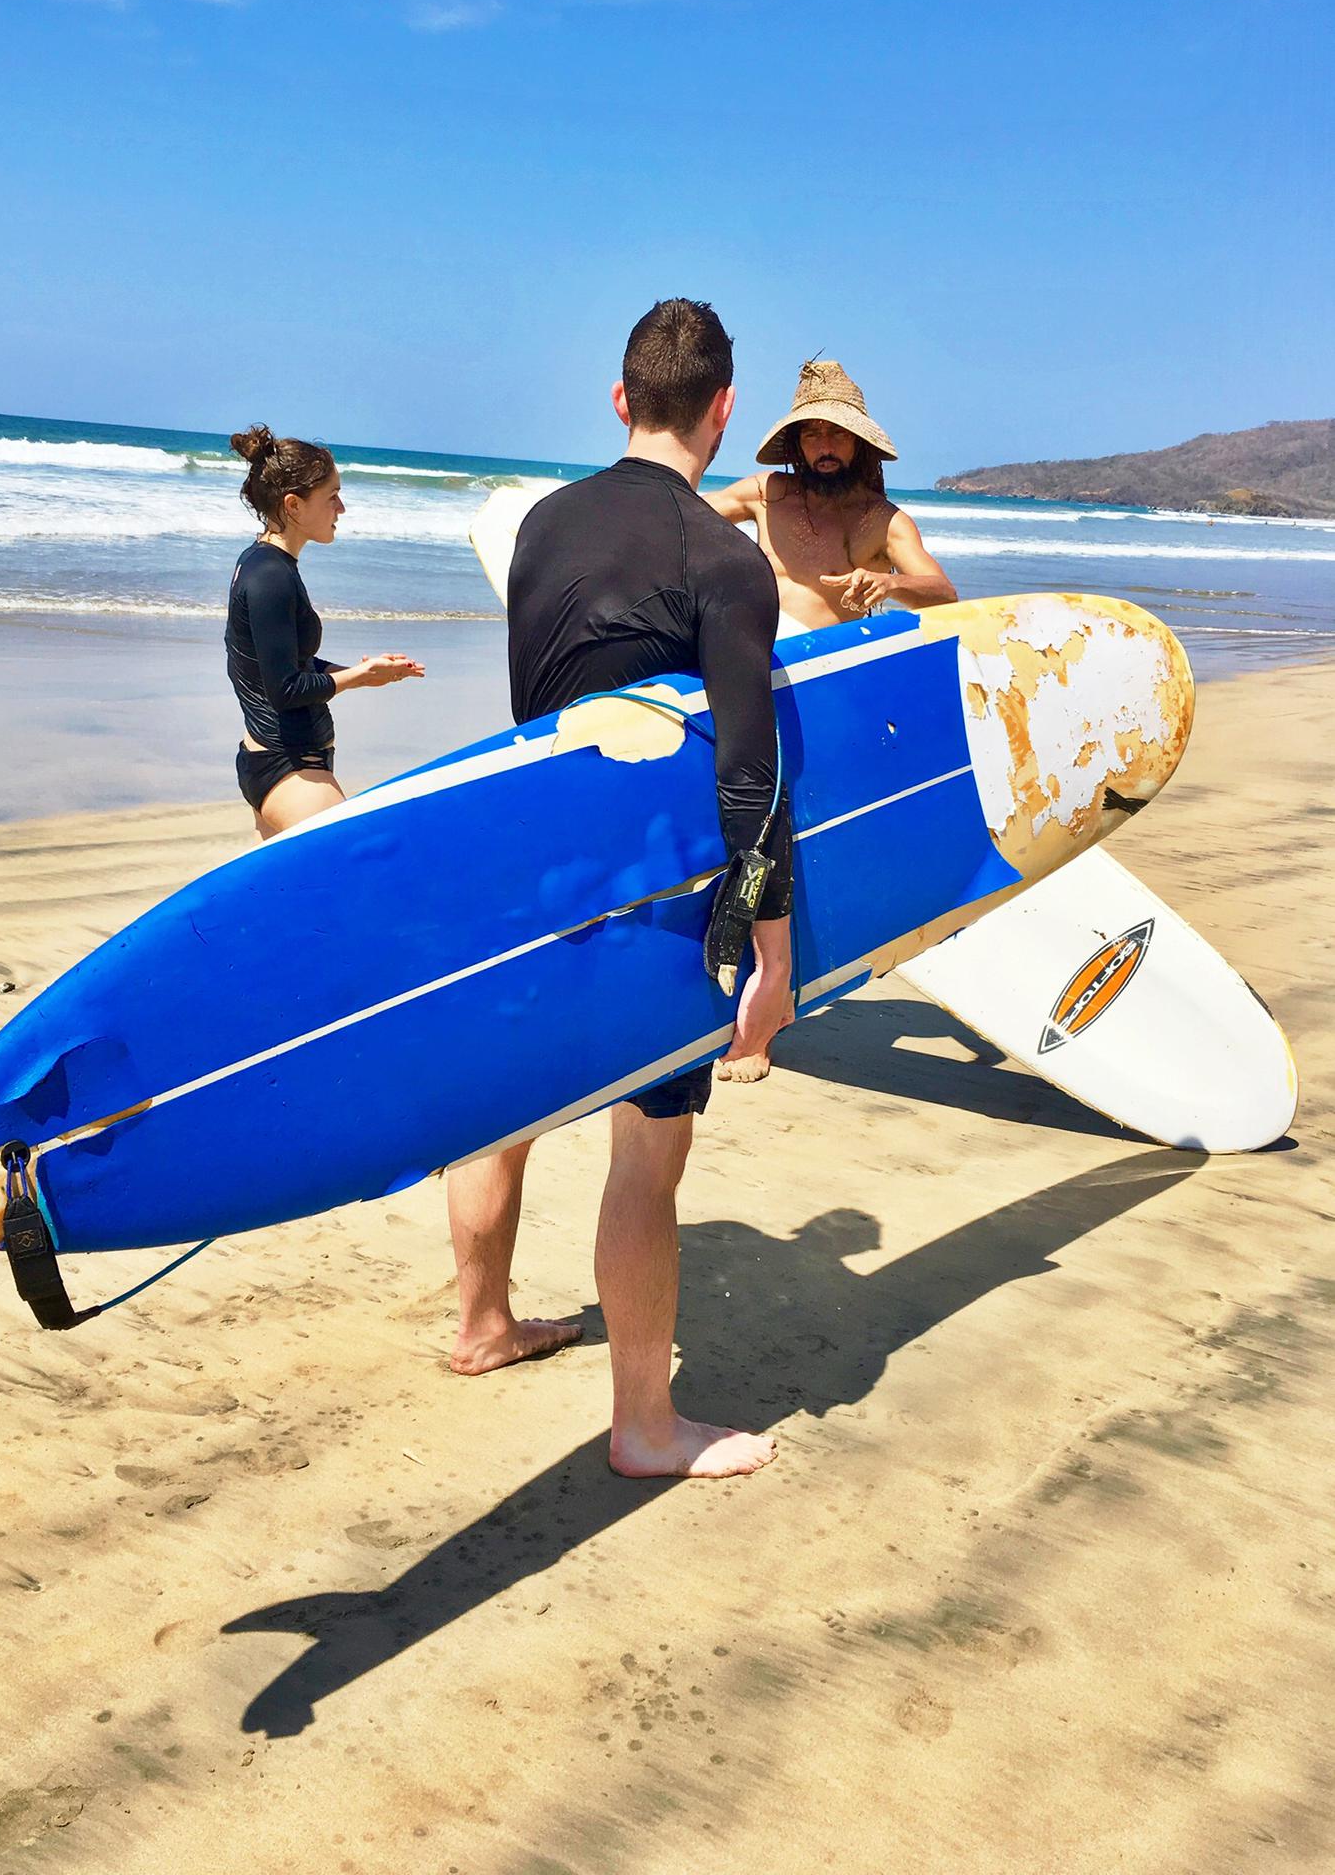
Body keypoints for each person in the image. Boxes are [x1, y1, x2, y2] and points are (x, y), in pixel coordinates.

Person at [446, 299, 790, 1480]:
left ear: (618, 397)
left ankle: (481, 1324)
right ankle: (646, 1423)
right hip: (654, 901)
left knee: (503, 1111)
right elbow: (752, 772)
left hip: (530, 874)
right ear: (726, 410)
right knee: (647, 1150)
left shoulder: (537, 525)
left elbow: (542, 710)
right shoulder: (728, 560)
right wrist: (775, 956)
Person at [225, 425, 423, 839]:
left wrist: (362, 671)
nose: (342, 508)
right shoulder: (270, 577)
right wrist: (358, 679)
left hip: (288, 762)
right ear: (294, 505)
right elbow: (284, 688)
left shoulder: (265, 564)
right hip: (288, 767)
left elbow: (288, 660)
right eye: (332, 496)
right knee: (366, 872)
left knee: (300, 900)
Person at [705, 360, 955, 630]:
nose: (825, 447)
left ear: (859, 441)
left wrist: (891, 583)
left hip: (818, 664)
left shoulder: (884, 522)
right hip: (748, 648)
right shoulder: (766, 492)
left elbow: (946, 596)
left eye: (838, 433)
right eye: (812, 435)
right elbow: (685, 515)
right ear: (797, 445)